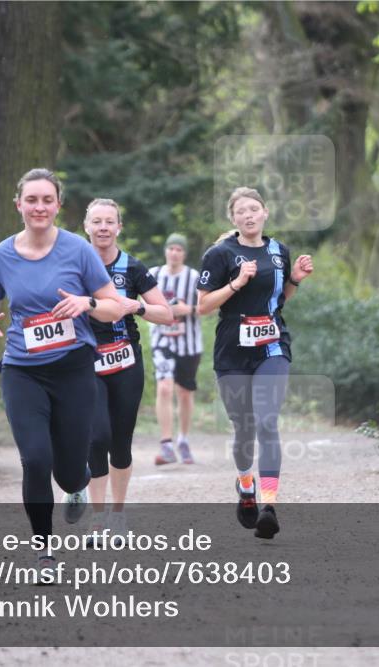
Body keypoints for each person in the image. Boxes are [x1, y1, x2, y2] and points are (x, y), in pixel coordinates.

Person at [0, 168, 123, 573]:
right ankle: (44, 551)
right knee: (36, 460)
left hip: (73, 370)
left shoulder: (78, 250)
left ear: (58, 205)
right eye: (32, 199)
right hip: (22, 370)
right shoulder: (0, 255)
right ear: (19, 204)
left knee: (72, 471)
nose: (39, 207)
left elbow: (113, 304)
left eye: (47, 200)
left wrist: (86, 305)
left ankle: (75, 489)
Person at [197, 186, 313, 539]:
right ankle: (245, 485)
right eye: (241, 211)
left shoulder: (280, 252)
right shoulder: (219, 254)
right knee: (244, 427)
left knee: (266, 422)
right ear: (232, 218)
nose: (248, 215)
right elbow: (203, 306)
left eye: (254, 209)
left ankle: (269, 505)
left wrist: (295, 279)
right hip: (232, 350)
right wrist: (236, 283)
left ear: (265, 212)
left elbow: (279, 300)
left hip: (272, 346)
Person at [83, 198, 173, 543]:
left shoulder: (133, 268)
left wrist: (138, 306)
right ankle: (97, 518)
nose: (103, 227)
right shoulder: (74, 264)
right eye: (97, 221)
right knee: (97, 437)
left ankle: (117, 515)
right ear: (86, 227)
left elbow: (165, 314)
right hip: (86, 361)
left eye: (110, 222)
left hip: (125, 362)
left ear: (119, 227)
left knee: (120, 442)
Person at [149, 233, 204, 465]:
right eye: (170, 248)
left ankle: (183, 438)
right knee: (164, 388)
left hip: (189, 343)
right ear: (165, 251)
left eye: (178, 249)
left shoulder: (194, 277)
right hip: (162, 341)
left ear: (184, 253)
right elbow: (142, 304)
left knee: (184, 392)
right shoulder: (153, 275)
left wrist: (187, 309)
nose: (174, 253)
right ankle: (166, 443)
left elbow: (208, 306)